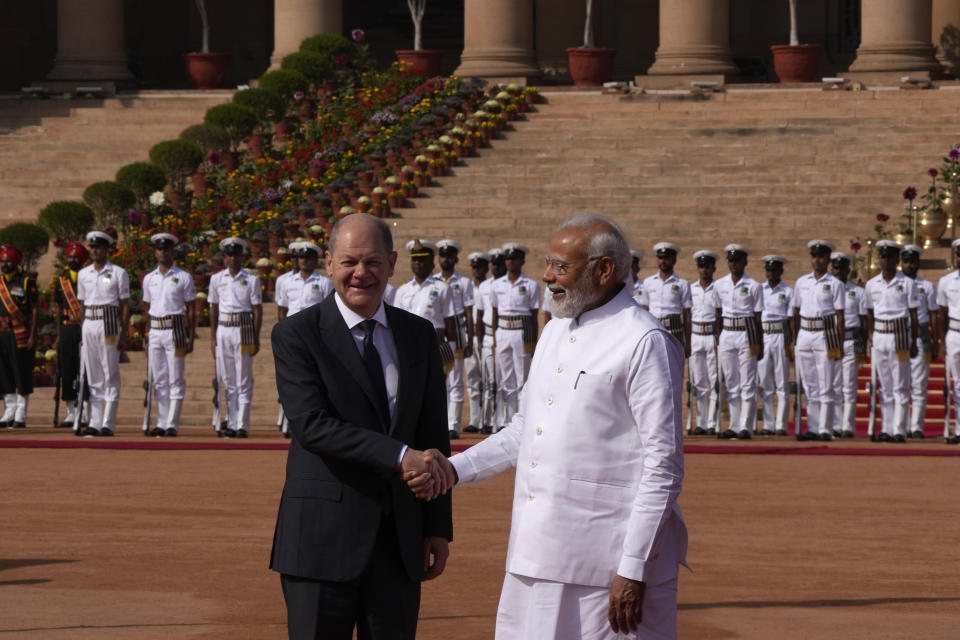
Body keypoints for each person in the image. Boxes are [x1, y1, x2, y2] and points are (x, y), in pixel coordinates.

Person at [418, 213, 687, 639]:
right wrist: (454, 470)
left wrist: (633, 568)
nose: (547, 276)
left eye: (562, 266)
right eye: (548, 263)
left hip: (605, 564)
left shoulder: (644, 341)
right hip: (535, 551)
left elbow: (663, 466)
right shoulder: (555, 331)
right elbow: (525, 428)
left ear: (604, 269)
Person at [269, 213, 453, 639]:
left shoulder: (419, 334)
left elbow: (432, 435)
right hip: (320, 543)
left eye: (372, 262)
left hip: (398, 541)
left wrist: (437, 526)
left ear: (391, 263)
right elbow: (311, 425)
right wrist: (399, 456)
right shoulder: (297, 335)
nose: (360, 274)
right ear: (329, 263)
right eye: (349, 261)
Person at [394, 239, 458, 438]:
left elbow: (449, 321)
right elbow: (394, 321)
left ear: (432, 263)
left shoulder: (443, 287)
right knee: (408, 387)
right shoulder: (402, 290)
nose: (418, 263)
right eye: (414, 260)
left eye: (423, 260)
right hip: (408, 344)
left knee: (439, 386)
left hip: (436, 344)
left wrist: (453, 348)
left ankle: (445, 425)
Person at [142, 233, 196, 437]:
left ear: (173, 251)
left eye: (166, 249)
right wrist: (147, 336)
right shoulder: (149, 278)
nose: (163, 252)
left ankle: (173, 422)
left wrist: (190, 335)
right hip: (155, 329)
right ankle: (161, 421)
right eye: (159, 249)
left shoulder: (183, 276)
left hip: (176, 329)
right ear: (155, 252)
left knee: (176, 377)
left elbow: (191, 309)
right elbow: (147, 308)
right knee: (160, 378)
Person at [76, 230, 130, 436]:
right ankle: (95, 421)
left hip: (108, 321)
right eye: (92, 247)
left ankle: (108, 422)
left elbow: (125, 305)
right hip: (90, 321)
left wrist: (124, 333)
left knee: (110, 372)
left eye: (99, 247)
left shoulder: (118, 272)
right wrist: (83, 331)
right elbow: (82, 304)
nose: (95, 250)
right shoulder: (83, 274)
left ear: (107, 249)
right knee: (93, 373)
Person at [209, 237, 263, 438]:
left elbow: (257, 310)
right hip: (224, 328)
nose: (233, 258)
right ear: (224, 257)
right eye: (229, 255)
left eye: (236, 254)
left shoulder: (251, 280)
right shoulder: (216, 279)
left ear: (242, 256)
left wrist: (256, 337)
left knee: (244, 379)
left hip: (244, 329)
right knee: (227, 378)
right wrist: (213, 337)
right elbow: (213, 308)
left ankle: (243, 424)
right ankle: (231, 422)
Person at [865, 240, 918, 443]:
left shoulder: (907, 283)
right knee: (885, 385)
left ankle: (899, 429)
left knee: (901, 384)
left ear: (897, 260)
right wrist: (870, 336)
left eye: (890, 257)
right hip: (880, 335)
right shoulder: (871, 284)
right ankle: (886, 428)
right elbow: (869, 313)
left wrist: (913, 341)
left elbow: (913, 314)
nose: (886, 261)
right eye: (883, 257)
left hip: (900, 335)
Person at [791, 240, 844, 441]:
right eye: (814, 256)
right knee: (810, 384)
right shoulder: (801, 282)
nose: (817, 260)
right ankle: (813, 427)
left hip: (825, 333)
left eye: (821, 256)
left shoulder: (835, 284)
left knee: (826, 383)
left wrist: (838, 343)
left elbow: (840, 315)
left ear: (828, 259)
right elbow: (795, 311)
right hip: (805, 332)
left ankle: (825, 428)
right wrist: (795, 338)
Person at [714, 244, 764, 439]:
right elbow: (718, 314)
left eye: (738, 261)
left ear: (745, 262)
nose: (734, 264)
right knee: (731, 381)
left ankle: (746, 426)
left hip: (746, 333)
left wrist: (759, 343)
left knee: (747, 382)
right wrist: (719, 339)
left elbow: (758, 318)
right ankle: (734, 425)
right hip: (727, 333)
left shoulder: (754, 286)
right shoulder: (720, 285)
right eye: (731, 261)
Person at [491, 242, 540, 430]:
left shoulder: (530, 285)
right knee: (506, 378)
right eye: (508, 259)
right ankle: (508, 419)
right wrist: (496, 338)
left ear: (522, 261)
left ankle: (524, 417)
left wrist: (533, 341)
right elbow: (495, 312)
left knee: (523, 377)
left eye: (514, 258)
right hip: (503, 329)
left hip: (522, 331)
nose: (511, 262)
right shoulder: (497, 285)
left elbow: (534, 315)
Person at [436, 239, 475, 438]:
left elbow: (469, 312)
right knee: (439, 382)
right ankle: (441, 421)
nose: (446, 259)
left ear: (456, 259)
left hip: (458, 332)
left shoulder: (465, 283)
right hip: (439, 331)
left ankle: (454, 424)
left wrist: (469, 339)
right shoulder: (433, 281)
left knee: (456, 380)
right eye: (443, 255)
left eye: (449, 256)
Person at [901, 244, 938, 438]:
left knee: (919, 384)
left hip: (920, 335)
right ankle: (901, 425)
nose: (909, 265)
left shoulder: (927, 286)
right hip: (899, 334)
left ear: (918, 263)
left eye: (912, 261)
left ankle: (916, 427)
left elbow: (933, 315)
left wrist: (933, 339)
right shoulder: (894, 285)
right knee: (900, 383)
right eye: (906, 261)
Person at [829, 252, 867, 438]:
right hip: (832, 340)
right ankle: (836, 424)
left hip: (852, 340)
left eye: (842, 268)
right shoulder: (827, 290)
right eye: (835, 268)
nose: (838, 272)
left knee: (849, 385)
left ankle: (847, 425)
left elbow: (863, 321)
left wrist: (864, 346)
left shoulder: (858, 292)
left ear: (848, 270)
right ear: (831, 269)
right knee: (834, 384)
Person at [51, 241, 89, 428]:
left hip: (84, 328)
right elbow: (58, 309)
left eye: (76, 257)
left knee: (85, 370)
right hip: (66, 329)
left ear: (82, 259)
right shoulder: (61, 280)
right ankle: (70, 412)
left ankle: (85, 410)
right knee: (67, 369)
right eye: (70, 257)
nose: (73, 260)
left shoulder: (89, 277)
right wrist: (58, 335)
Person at [0, 245, 38, 428]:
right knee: (4, 371)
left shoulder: (24, 281)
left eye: (7, 261)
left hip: (19, 332)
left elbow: (34, 309)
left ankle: (21, 411)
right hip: (1, 332)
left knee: (21, 370)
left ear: (15, 262)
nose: (4, 264)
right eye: (2, 261)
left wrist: (33, 335)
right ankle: (9, 409)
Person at [757, 255, 793, 436]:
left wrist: (790, 343)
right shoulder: (759, 289)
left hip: (780, 335)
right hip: (763, 335)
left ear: (781, 271)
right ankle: (768, 424)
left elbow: (790, 320)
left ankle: (781, 424)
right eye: (768, 270)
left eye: (775, 270)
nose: (771, 273)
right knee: (764, 381)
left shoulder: (787, 291)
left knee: (782, 381)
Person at [688, 250, 719, 435]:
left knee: (714, 380)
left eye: (708, 266)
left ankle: (712, 422)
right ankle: (700, 422)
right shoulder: (691, 289)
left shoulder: (719, 288)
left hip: (711, 335)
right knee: (698, 380)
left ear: (713, 268)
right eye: (701, 266)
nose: (704, 270)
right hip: (696, 334)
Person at [476, 248, 506, 434]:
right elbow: (479, 315)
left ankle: (500, 421)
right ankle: (485, 421)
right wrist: (479, 340)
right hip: (487, 336)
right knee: (488, 381)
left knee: (502, 381)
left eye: (498, 263)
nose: (495, 267)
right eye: (493, 264)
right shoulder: (484, 286)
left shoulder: (504, 285)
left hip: (503, 334)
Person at [642, 242, 692, 354]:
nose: (663, 261)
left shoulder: (682, 284)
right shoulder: (648, 282)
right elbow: (644, 309)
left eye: (666, 258)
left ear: (674, 260)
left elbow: (687, 314)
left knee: (675, 367)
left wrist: (688, 342)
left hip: (674, 331)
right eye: (660, 258)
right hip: (654, 330)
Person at [462, 251, 490, 434]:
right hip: (469, 335)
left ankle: (488, 419)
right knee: (472, 379)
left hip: (487, 335)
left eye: (480, 266)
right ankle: (475, 419)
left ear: (486, 268)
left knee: (489, 379)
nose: (477, 270)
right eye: (474, 266)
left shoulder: (491, 287)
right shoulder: (467, 288)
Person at [938, 238, 960, 443]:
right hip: (954, 332)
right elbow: (942, 314)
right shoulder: (946, 281)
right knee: (957, 384)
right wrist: (943, 342)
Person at [276, 241, 333, 320]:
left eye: (308, 258)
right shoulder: (287, 282)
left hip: (314, 325)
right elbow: (282, 308)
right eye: (301, 257)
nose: (304, 260)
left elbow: (329, 309)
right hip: (292, 325)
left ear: (316, 261)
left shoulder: (324, 282)